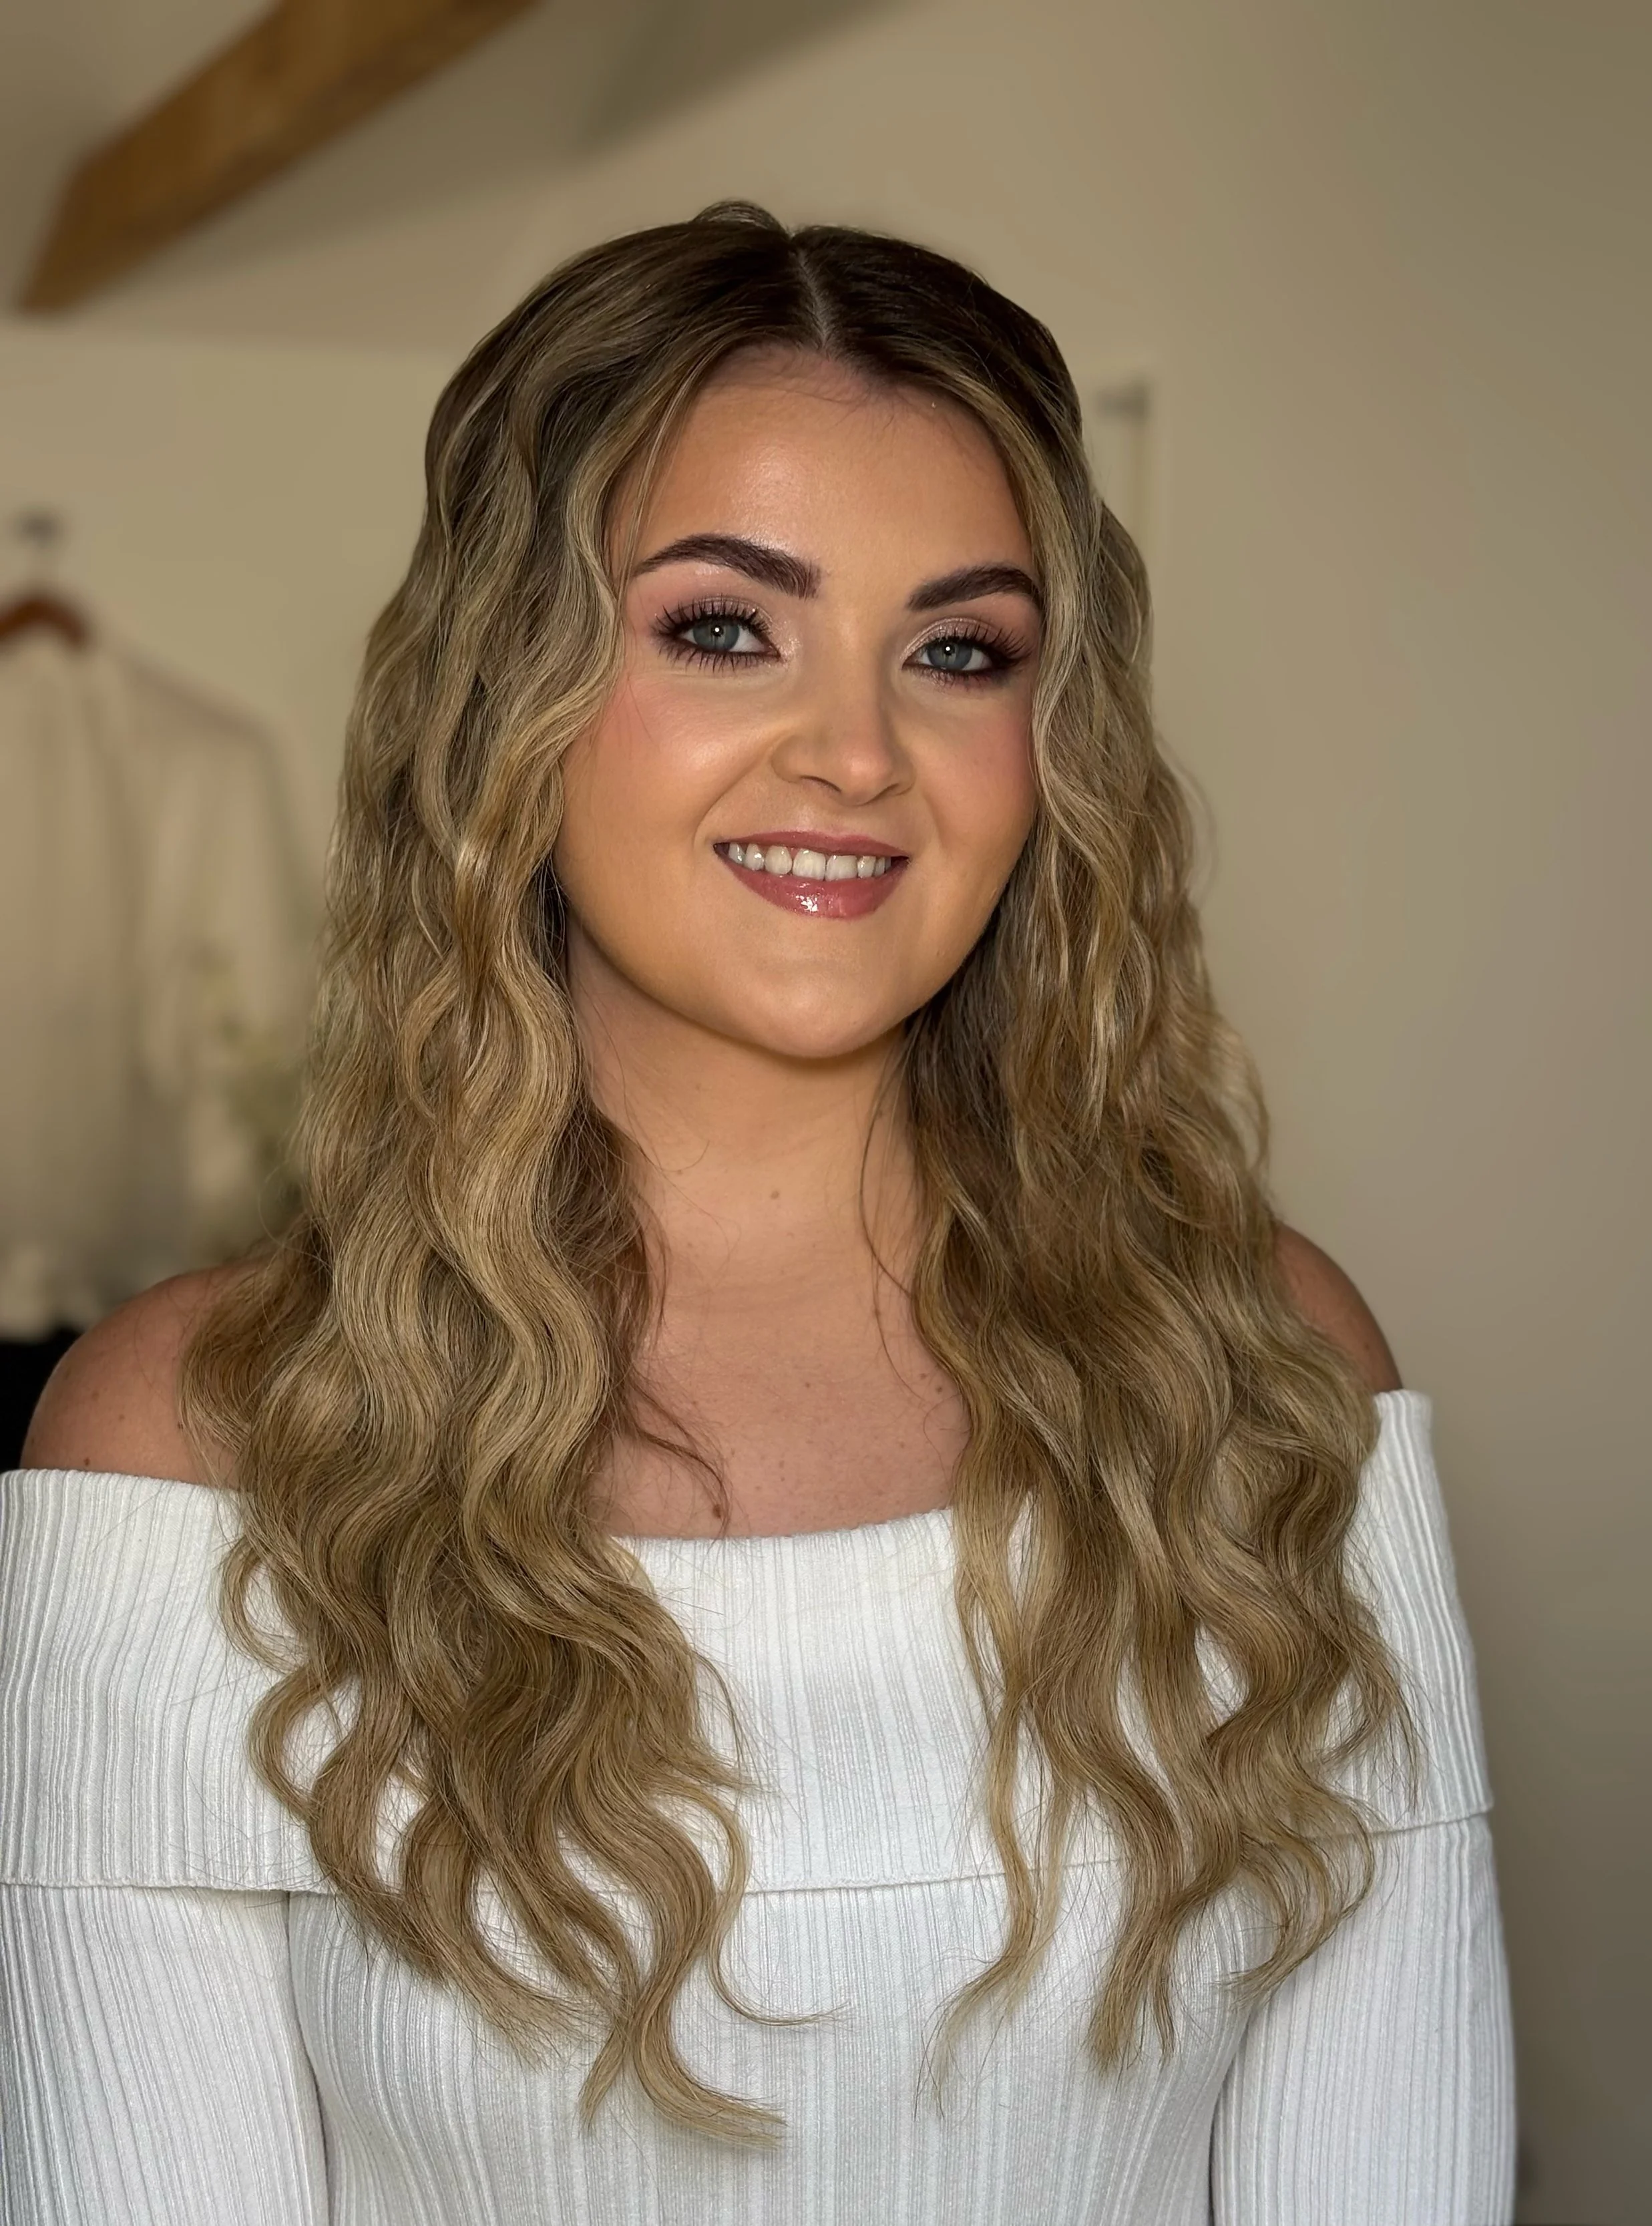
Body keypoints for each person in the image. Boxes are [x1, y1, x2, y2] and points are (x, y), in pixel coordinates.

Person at [0, 204, 1512, 2223]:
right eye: (724, 627)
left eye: (959, 652)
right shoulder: (191, 1445)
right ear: (507, 697)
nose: (859, 753)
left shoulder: (1260, 1375)